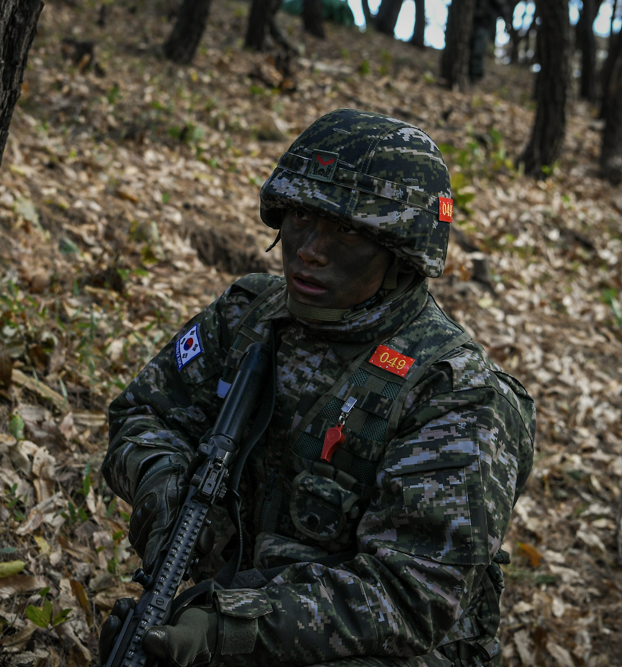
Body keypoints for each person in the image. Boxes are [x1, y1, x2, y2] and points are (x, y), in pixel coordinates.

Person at [99, 108, 536, 667]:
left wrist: (229, 632)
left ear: (402, 253)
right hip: (227, 606)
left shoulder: (458, 395)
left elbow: (410, 599)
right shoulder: (248, 315)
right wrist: (169, 504)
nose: (309, 248)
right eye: (302, 217)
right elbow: (143, 415)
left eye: (349, 231)